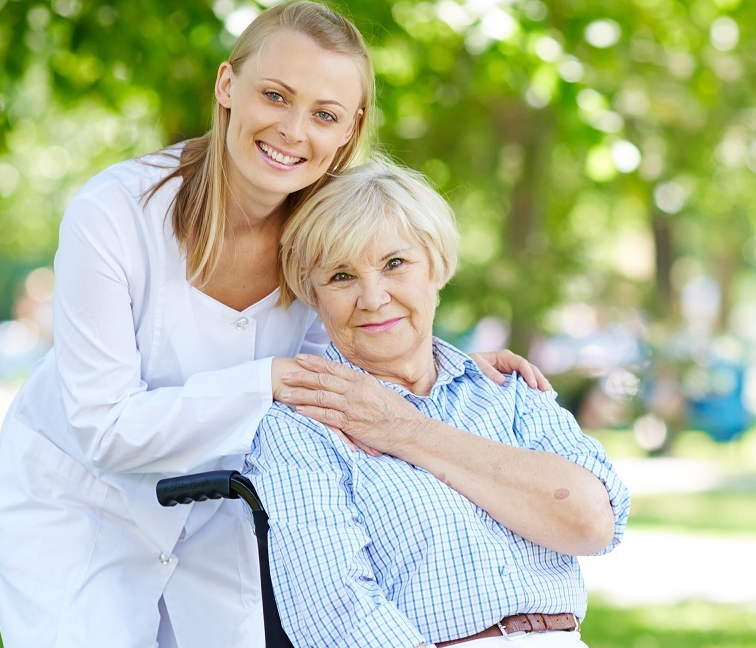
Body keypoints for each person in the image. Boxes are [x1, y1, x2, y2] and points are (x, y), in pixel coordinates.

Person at [0, 0, 546, 648]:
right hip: (84, 503)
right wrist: (270, 380)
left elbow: (368, 331)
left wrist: (446, 365)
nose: (293, 130)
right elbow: (105, 429)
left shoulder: (330, 237)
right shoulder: (113, 215)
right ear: (228, 85)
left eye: (325, 114)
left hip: (227, 505)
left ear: (350, 128)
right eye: (276, 95)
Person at [246, 160, 630, 647]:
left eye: (394, 264)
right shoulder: (301, 428)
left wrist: (404, 430)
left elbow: (594, 522)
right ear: (313, 294)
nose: (373, 297)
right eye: (342, 276)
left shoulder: (507, 392)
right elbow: (334, 611)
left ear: (436, 266)